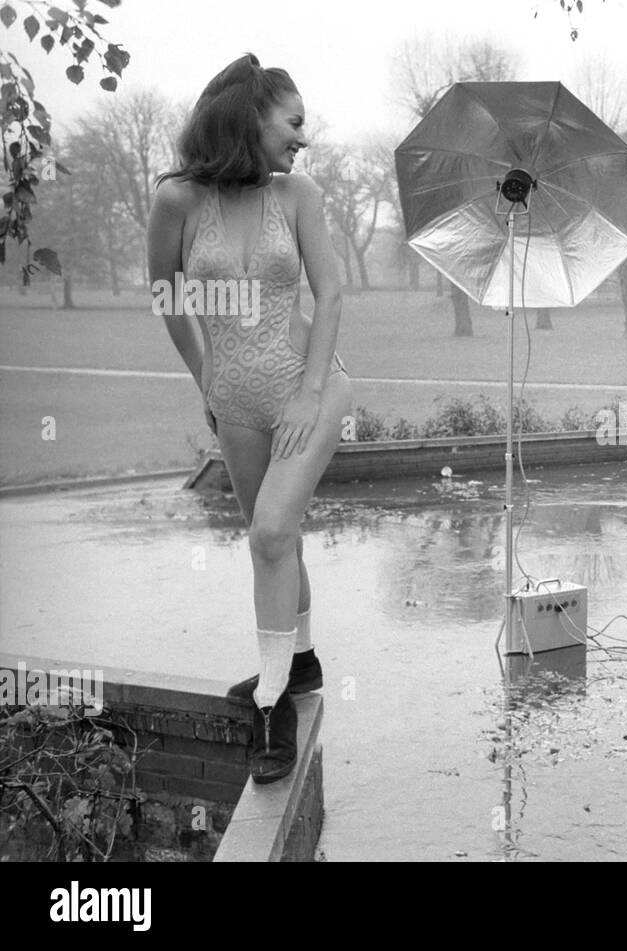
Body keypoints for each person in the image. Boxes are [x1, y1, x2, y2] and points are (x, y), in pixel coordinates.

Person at [147, 54, 353, 783]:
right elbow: (166, 295)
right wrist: (205, 376)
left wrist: (307, 393)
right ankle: (299, 660)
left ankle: (272, 702)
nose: (304, 136)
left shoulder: (298, 194)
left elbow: (330, 295)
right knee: (277, 541)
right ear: (249, 116)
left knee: (270, 533)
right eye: (294, 121)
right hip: (232, 398)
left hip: (310, 390)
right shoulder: (177, 199)